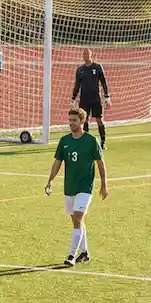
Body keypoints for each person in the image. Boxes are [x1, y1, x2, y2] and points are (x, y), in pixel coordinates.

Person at [44, 108, 108, 267]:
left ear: (82, 121)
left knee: (78, 218)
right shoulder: (64, 141)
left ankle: (72, 255)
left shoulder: (91, 141)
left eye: (74, 120)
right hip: (69, 187)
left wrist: (104, 184)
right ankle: (85, 252)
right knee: (76, 221)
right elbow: (57, 162)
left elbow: (100, 163)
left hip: (85, 187)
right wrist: (50, 180)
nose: (71, 123)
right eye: (70, 120)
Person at [72, 49, 110, 149]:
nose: (85, 56)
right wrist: (73, 98)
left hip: (95, 98)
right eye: (83, 54)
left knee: (99, 120)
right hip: (84, 99)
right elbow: (77, 85)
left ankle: (103, 141)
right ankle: (86, 142)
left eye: (87, 54)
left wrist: (107, 95)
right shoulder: (80, 70)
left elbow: (103, 82)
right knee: (84, 120)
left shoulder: (97, 67)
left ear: (91, 55)